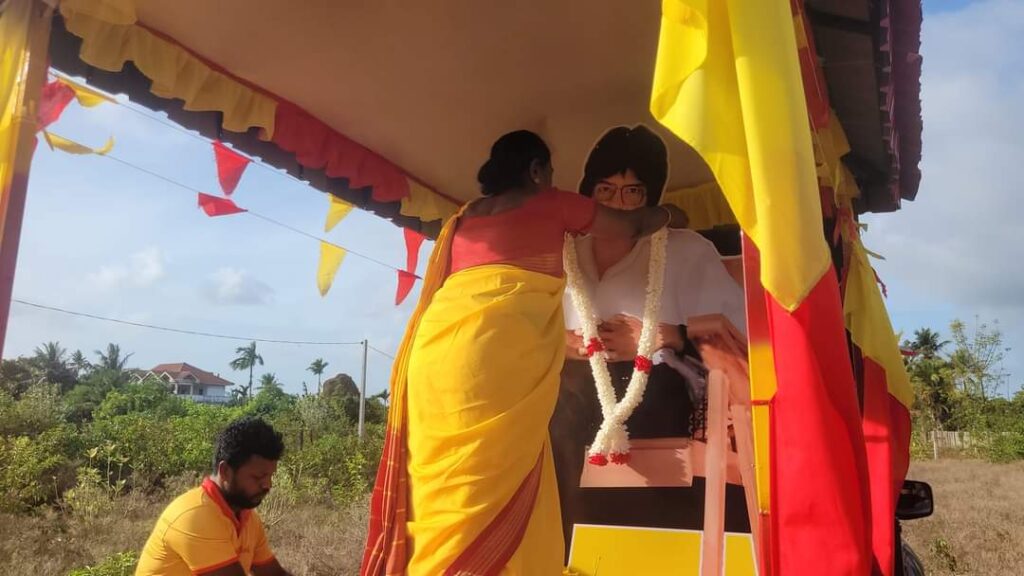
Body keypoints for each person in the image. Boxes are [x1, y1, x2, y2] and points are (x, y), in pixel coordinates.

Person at [360, 130, 688, 576]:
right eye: (550, 171)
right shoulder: (553, 203)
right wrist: (669, 214)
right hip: (491, 359)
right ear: (536, 170)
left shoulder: (464, 217)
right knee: (484, 487)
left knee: (442, 490)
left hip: (434, 357)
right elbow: (630, 225)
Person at [552, 125, 748, 556]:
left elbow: (742, 337)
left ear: (651, 199)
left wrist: (666, 335)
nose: (617, 205)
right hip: (566, 410)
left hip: (658, 412)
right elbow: (518, 326)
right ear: (588, 194)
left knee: (646, 540)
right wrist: (555, 342)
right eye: (605, 190)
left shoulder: (686, 250)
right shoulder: (556, 252)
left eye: (632, 192)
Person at [136, 417, 292, 576]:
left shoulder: (249, 520)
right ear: (225, 471)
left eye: (270, 476)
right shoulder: (195, 515)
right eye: (258, 477)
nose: (267, 485)